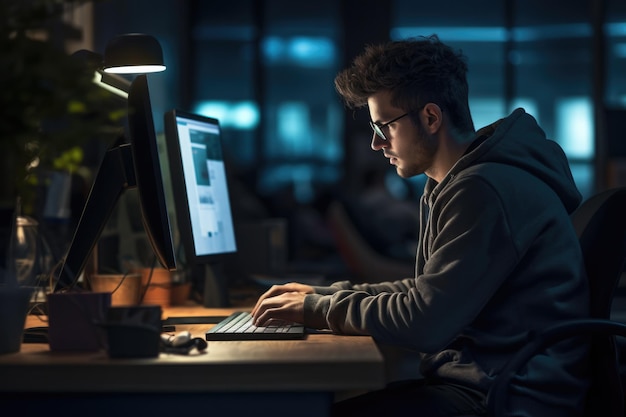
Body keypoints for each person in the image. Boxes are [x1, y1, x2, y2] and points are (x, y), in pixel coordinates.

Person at [251, 35, 590, 417]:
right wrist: (321, 294)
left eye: (385, 127)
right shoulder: (455, 182)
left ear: (430, 118)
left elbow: (426, 323)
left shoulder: (483, 189)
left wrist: (317, 308)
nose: (377, 144)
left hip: (505, 397)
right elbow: (426, 291)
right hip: (487, 382)